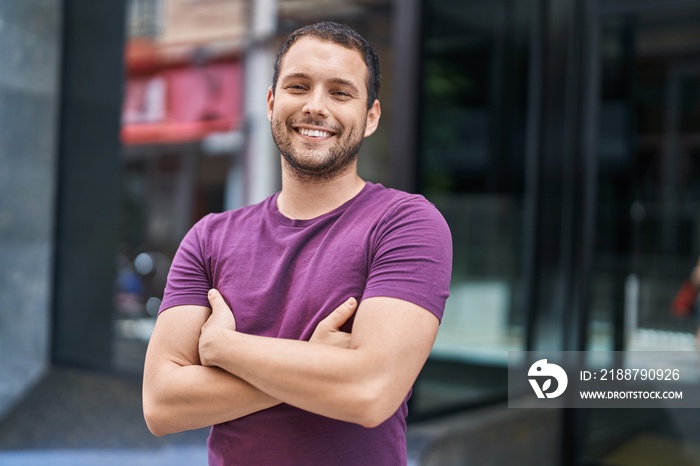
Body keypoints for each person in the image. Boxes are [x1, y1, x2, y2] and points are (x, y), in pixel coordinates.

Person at [142, 21, 452, 466]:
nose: (315, 106)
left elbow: (368, 392)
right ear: (271, 102)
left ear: (371, 117)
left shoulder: (404, 223)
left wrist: (224, 350)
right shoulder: (209, 237)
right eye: (298, 86)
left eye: (341, 93)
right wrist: (315, 362)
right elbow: (162, 404)